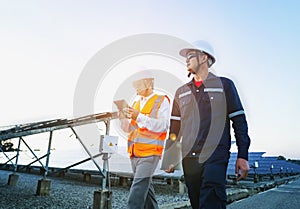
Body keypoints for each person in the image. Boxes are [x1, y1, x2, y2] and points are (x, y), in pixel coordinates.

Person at [164, 40, 251, 209]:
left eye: (190, 56)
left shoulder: (225, 85)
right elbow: (175, 127)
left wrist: (243, 155)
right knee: (197, 202)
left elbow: (239, 122)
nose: (186, 60)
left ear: (203, 58)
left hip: (215, 154)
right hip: (189, 157)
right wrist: (170, 157)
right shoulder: (181, 92)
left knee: (212, 201)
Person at [118, 73, 170, 209]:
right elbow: (129, 129)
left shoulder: (161, 100)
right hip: (134, 153)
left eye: (138, 83)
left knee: (137, 193)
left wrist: (138, 116)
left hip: (150, 153)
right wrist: (123, 118)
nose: (135, 87)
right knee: (147, 192)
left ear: (148, 82)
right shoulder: (135, 102)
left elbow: (162, 126)